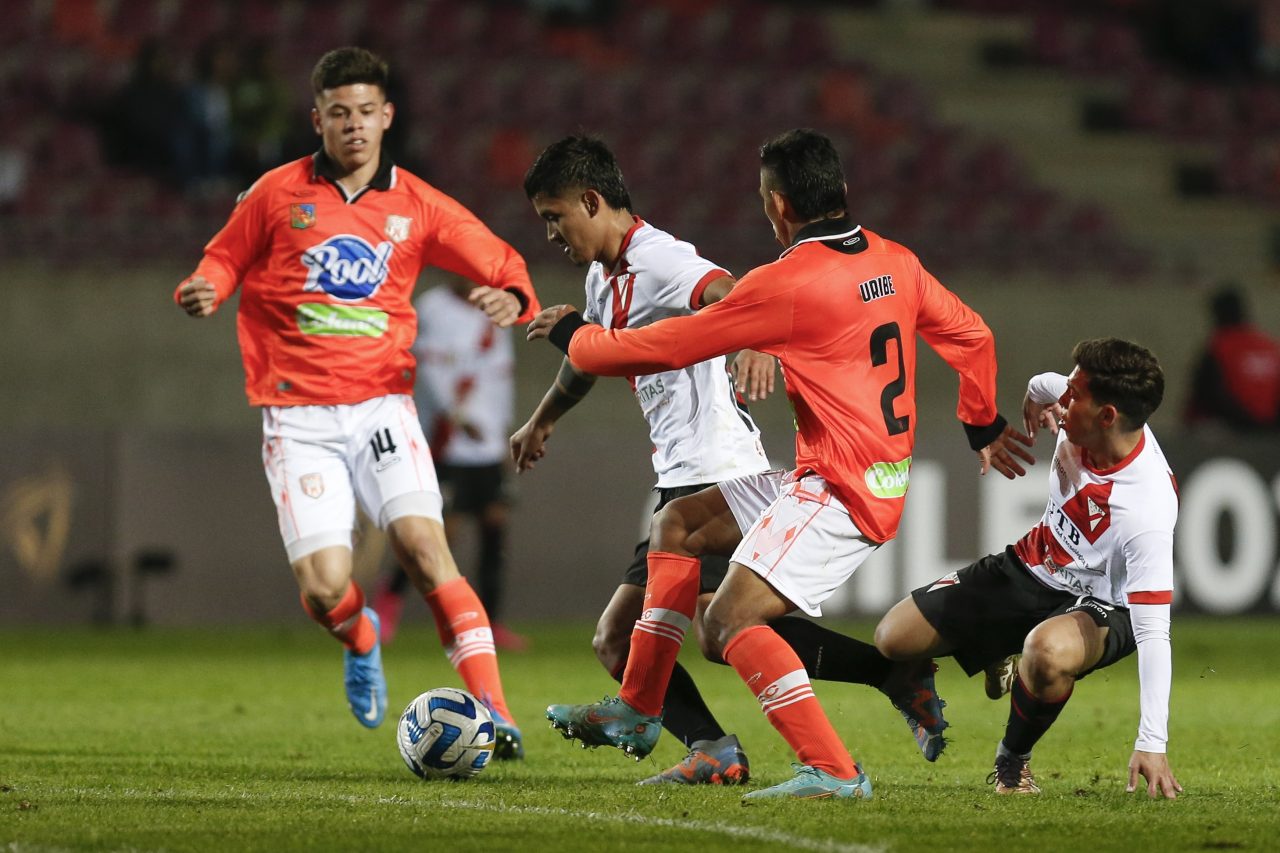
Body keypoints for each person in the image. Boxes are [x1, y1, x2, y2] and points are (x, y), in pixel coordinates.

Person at [530, 128, 1034, 800]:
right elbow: (973, 334)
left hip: (840, 487)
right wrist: (982, 422)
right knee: (677, 525)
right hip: (852, 472)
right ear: (840, 192)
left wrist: (573, 332)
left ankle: (833, 768)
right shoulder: (896, 261)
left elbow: (655, 349)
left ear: (776, 206)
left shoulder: (786, 282)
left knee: (727, 623)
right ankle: (641, 702)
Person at [174, 47, 539, 759]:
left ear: (386, 117)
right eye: (338, 113)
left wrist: (516, 298)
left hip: (381, 409)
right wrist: (207, 288)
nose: (354, 126)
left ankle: (496, 713)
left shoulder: (419, 205)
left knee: (428, 549)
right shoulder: (275, 193)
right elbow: (222, 257)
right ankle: (361, 631)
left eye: (366, 112)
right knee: (323, 588)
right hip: (298, 417)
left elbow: (504, 263)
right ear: (317, 119)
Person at [874, 338, 1182, 799]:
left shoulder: (1146, 510)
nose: (1064, 397)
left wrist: (1151, 742)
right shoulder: (1076, 404)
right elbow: (1043, 384)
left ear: (1107, 417)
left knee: (1047, 651)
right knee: (892, 639)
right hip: (1033, 564)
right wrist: (1033, 401)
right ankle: (999, 646)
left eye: (1074, 394)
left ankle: (1012, 760)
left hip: (1104, 605)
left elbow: (1155, 632)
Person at [372, 271, 527, 651]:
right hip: (448, 440)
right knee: (442, 533)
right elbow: (425, 370)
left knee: (495, 525)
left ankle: (491, 622)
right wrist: (454, 417)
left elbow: (499, 378)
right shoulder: (432, 307)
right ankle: (388, 602)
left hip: (488, 443)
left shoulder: (497, 310)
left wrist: (504, 434)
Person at [1184, 284, 1280, 432]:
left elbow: (1205, 394)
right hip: (1271, 431)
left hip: (1234, 431)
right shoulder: (1270, 347)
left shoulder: (1219, 347)